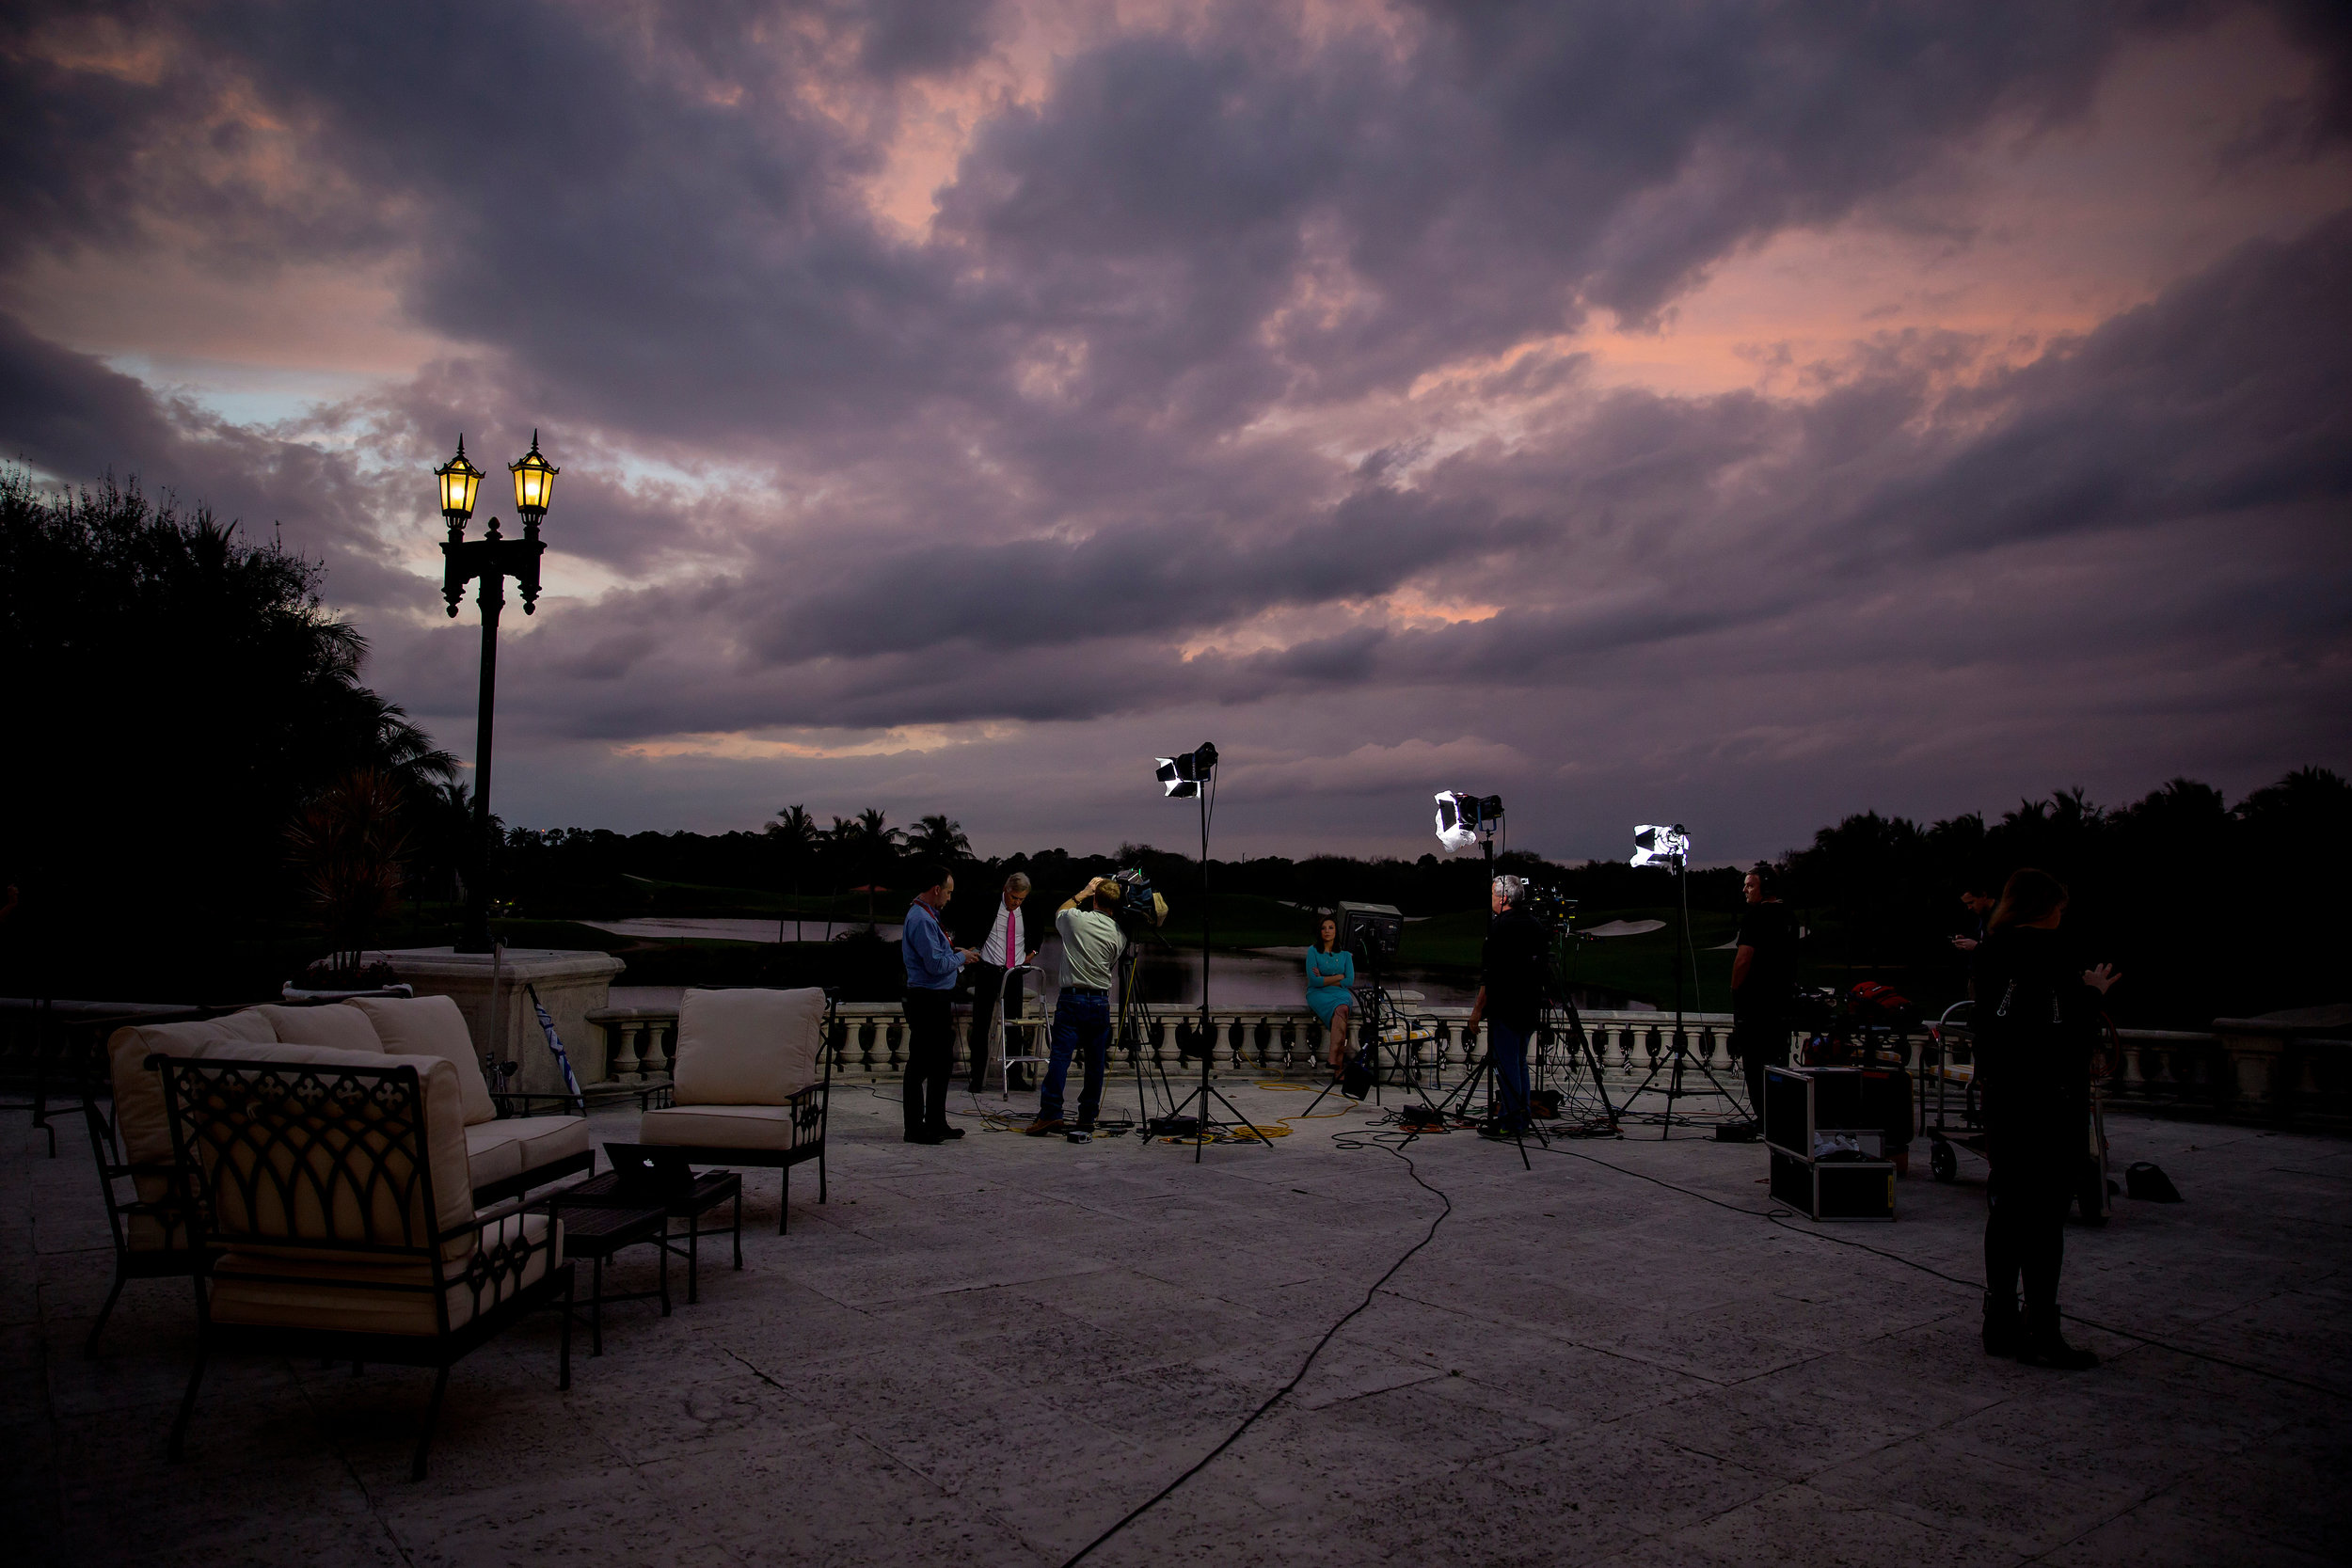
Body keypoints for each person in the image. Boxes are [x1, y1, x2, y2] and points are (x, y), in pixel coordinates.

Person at [1972, 867, 2122, 1370]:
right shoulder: (2057, 955)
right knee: (2046, 1216)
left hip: (2004, 1097)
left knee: (2008, 1206)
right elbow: (2069, 1032)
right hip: (2052, 1101)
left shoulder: (1990, 950)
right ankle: (2042, 1326)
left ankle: (1999, 1319)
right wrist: (2095, 990)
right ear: (2046, 908)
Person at [1025, 876, 1127, 1141]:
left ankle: (1050, 1112)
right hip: (1100, 1001)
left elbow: (1060, 911)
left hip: (1072, 998)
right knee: (1095, 1062)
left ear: (1096, 899)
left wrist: (1083, 892)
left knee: (1060, 1057)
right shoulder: (1120, 935)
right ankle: (1087, 1115)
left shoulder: (1075, 919)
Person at [1464, 875, 1548, 1135]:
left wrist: (1477, 1012)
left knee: (1507, 1064)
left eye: (1492, 894)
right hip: (1530, 1006)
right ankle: (1520, 1117)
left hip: (1506, 1007)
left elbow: (1490, 975)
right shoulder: (1535, 924)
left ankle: (1510, 1120)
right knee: (1519, 1062)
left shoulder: (1500, 927)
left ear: (1503, 898)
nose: (1490, 899)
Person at [899, 863, 975, 1145]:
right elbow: (933, 965)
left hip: (938, 997)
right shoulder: (920, 918)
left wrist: (956, 954)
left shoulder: (930, 915)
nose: (949, 898)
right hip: (926, 998)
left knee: (942, 1062)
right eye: (949, 892)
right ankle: (914, 1128)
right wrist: (961, 958)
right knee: (920, 1063)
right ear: (936, 889)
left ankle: (936, 1121)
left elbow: (938, 955)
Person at [1731, 863, 1800, 1121]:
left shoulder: (1756, 917)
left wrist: (1735, 990)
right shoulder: (1788, 915)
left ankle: (1764, 1119)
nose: (1745, 890)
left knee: (1755, 1064)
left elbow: (1743, 959)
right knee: (1777, 1064)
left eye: (1750, 885)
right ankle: (1778, 1118)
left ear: (1765, 888)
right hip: (1781, 1003)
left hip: (1756, 1005)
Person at [965, 873, 1041, 1094]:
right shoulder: (988, 904)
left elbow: (1037, 933)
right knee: (981, 1025)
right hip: (989, 970)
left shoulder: (1029, 908)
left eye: (1020, 899)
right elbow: (972, 928)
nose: (1016, 903)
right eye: (1013, 898)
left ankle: (1015, 1076)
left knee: (1014, 1026)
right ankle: (977, 1077)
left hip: (1014, 973)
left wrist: (1033, 953)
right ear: (1005, 890)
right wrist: (973, 950)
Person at [1307, 916, 1357, 1074]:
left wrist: (1325, 978)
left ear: (1337, 931)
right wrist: (1338, 977)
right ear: (1319, 931)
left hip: (1340, 993)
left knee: (1342, 1010)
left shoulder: (1345, 954)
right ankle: (1338, 1068)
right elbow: (1315, 981)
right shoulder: (1313, 951)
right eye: (1323, 928)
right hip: (1318, 993)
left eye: (1331, 928)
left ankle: (1334, 1061)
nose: (1327, 931)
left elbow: (1349, 981)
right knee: (1339, 1017)